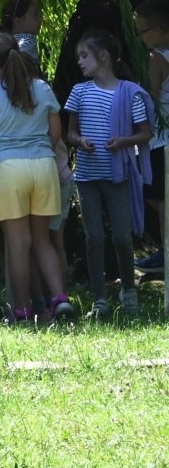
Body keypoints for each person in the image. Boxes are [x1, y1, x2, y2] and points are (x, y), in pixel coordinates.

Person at [0, 34, 72, 324]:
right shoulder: (42, 88)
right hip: (43, 165)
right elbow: (55, 133)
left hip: (8, 169)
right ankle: (60, 299)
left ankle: (21, 310)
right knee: (43, 241)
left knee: (18, 244)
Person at [63, 31, 154, 317]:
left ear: (103, 56)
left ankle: (129, 290)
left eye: (84, 55)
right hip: (87, 177)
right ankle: (99, 299)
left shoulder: (130, 92)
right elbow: (70, 133)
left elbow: (144, 134)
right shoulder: (79, 92)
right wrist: (80, 142)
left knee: (122, 238)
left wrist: (122, 142)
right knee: (94, 238)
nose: (79, 62)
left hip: (118, 176)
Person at [132, 0, 169, 275]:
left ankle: (166, 251)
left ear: (158, 29)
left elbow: (150, 99)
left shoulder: (155, 58)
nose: (140, 37)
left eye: (142, 31)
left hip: (161, 137)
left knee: (159, 197)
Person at [0, 0, 44, 67]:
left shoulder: (0, 41)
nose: (41, 19)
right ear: (18, 22)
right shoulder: (28, 39)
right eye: (35, 15)